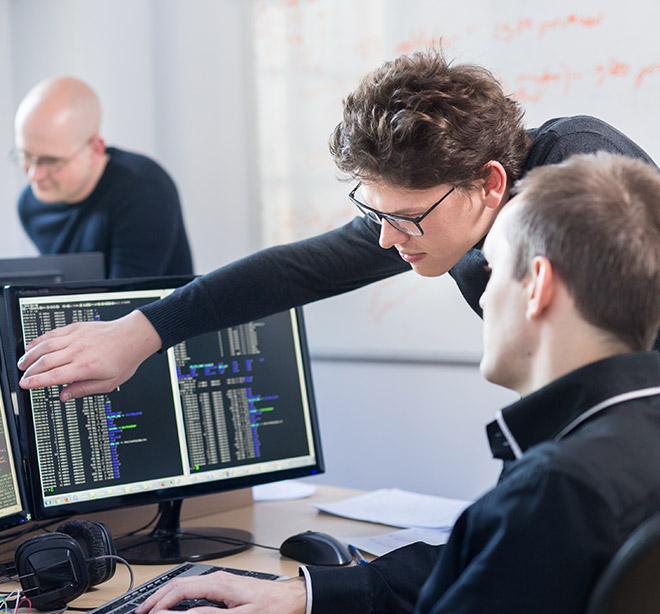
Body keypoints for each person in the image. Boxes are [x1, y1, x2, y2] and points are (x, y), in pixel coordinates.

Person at [106, 152, 660, 614]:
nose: (484, 296)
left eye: (491, 267)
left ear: (537, 285)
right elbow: (501, 570)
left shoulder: (554, 491)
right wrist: (308, 593)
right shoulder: (614, 456)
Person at [16, 50, 658, 398]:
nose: (385, 239)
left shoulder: (579, 174)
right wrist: (142, 332)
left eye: (404, 220)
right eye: (375, 213)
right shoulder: (439, 207)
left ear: (489, 185)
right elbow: (302, 268)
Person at [13, 76, 193, 279]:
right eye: (26, 156)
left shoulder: (144, 190)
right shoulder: (30, 205)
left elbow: (130, 301)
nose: (34, 175)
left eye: (52, 161)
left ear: (95, 148)